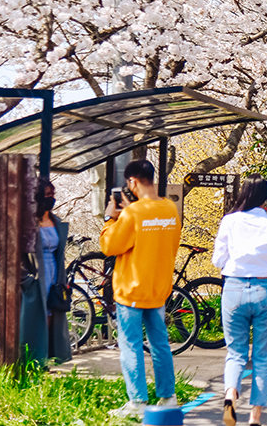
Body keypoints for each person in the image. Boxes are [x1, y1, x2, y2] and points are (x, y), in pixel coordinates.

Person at [100, 160, 181, 418]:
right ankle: (168, 396)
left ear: (132, 182)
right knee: (160, 344)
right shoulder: (170, 208)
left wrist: (109, 219)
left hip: (131, 291)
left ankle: (137, 402)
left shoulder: (132, 214)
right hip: (158, 289)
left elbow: (109, 246)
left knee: (131, 345)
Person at [212, 175, 267, 426]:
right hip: (264, 288)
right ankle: (254, 417)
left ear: (243, 194)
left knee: (235, 352)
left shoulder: (229, 221)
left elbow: (217, 260)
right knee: (263, 356)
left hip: (233, 288)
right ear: (266, 199)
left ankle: (230, 395)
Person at [20, 178, 72, 365]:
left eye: (53, 195)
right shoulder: (27, 223)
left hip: (54, 275)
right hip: (35, 277)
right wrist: (25, 280)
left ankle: (49, 359)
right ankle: (34, 361)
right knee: (36, 320)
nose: (52, 198)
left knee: (53, 315)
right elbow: (17, 253)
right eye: (48, 195)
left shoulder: (55, 220)